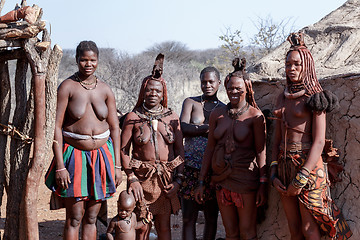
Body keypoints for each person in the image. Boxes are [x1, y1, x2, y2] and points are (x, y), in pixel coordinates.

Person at [270, 32, 352, 240]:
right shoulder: (281, 97)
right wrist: (273, 171)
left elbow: (318, 141)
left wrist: (303, 174)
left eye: (297, 64)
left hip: (309, 166)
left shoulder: (315, 97)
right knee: (294, 227)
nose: (292, 69)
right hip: (284, 165)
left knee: (309, 227)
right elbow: (277, 138)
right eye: (288, 64)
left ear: (306, 65)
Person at [45, 40, 122, 239]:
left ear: (98, 61)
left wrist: (117, 166)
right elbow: (56, 126)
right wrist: (60, 166)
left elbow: (115, 127)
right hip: (74, 156)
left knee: (91, 217)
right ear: (77, 60)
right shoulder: (67, 87)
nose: (88, 64)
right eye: (84, 60)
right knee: (74, 217)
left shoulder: (105, 89)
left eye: (92, 60)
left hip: (103, 156)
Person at [195, 58, 267, 240]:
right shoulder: (217, 114)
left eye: (238, 88)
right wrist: (202, 181)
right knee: (231, 233)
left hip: (245, 180)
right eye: (230, 88)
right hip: (221, 181)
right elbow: (210, 149)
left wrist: (263, 184)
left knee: (247, 232)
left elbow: (261, 151)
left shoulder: (255, 116)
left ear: (247, 89)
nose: (233, 92)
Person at [120, 54, 184, 240]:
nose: (153, 94)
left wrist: (178, 180)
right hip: (141, 179)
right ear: (143, 92)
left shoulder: (171, 117)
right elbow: (123, 150)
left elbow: (179, 151)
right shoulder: (133, 117)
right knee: (142, 227)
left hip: (166, 180)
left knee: (164, 226)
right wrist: (131, 178)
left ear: (163, 93)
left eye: (157, 91)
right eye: (149, 90)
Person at [180, 66, 224, 240]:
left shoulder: (224, 108)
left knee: (211, 217)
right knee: (188, 217)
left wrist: (196, 128)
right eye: (204, 82)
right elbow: (183, 127)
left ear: (218, 83)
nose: (207, 85)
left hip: (213, 170)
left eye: (211, 81)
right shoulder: (190, 102)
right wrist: (207, 128)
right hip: (190, 167)